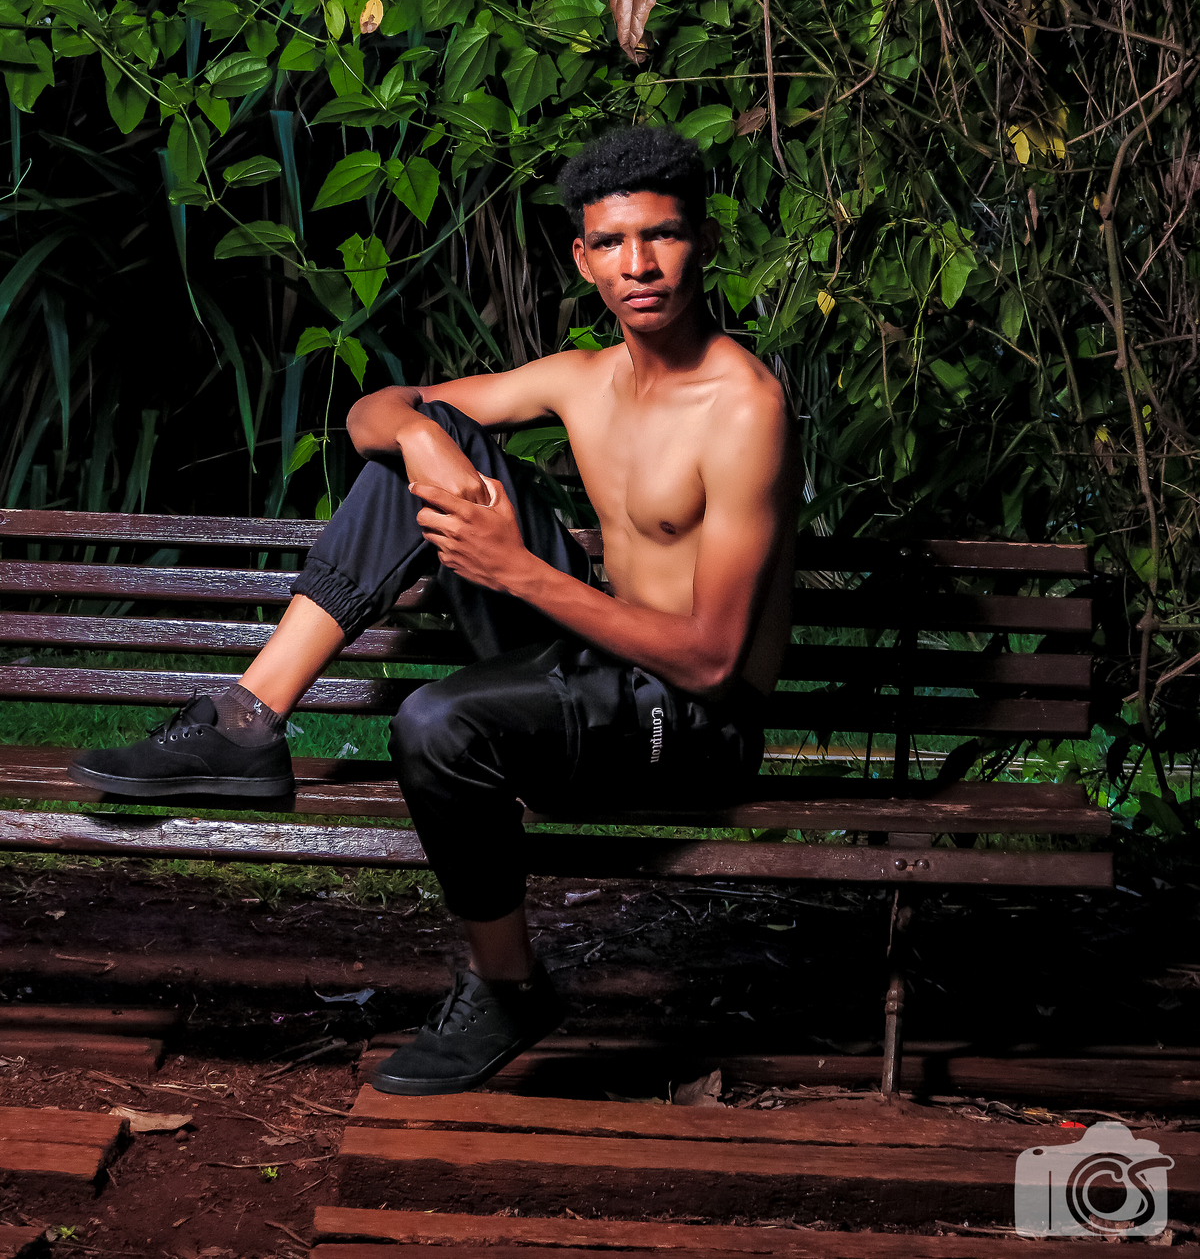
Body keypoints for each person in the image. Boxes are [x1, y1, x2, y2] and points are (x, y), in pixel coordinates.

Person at [69, 125, 796, 1096]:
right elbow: (371, 412)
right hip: (599, 665)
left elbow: (711, 660)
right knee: (424, 437)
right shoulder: (581, 379)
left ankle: (508, 988)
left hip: (694, 722)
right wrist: (421, 439)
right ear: (583, 258)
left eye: (661, 235)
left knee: (435, 723)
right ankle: (246, 721)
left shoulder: (744, 407)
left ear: (701, 240)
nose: (639, 265)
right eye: (613, 243)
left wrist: (519, 571)